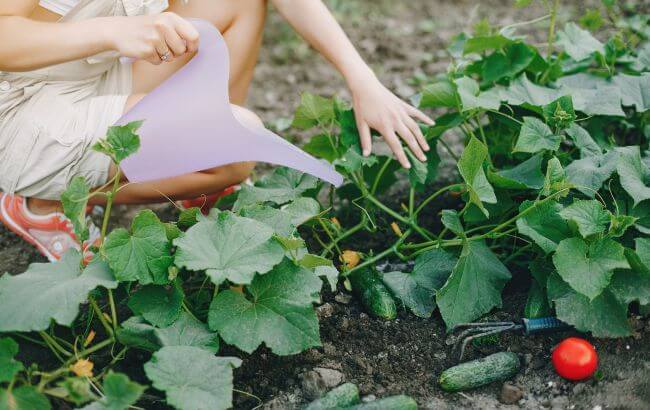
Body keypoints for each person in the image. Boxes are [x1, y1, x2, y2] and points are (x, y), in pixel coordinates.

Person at [0, 0, 434, 261]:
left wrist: (362, 80)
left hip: (91, 72)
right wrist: (112, 31)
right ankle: (42, 203)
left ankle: (194, 175)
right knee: (236, 144)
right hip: (24, 111)